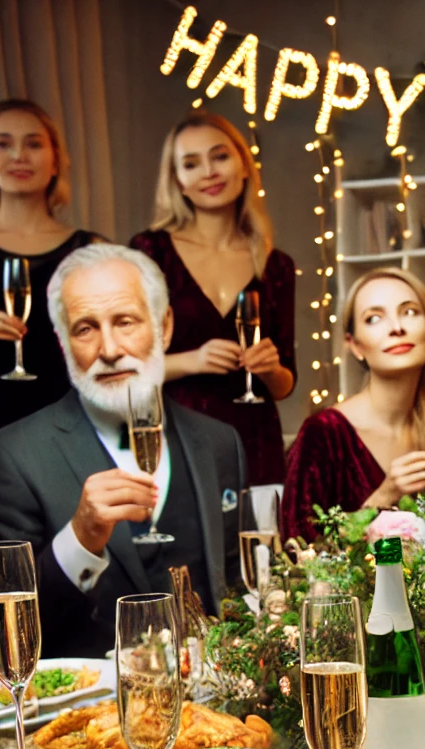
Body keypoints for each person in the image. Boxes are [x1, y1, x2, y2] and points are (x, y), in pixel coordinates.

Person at [0, 244, 244, 658]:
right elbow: (7, 637)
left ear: (165, 326)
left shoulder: (220, 442)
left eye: (125, 322)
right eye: (85, 329)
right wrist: (80, 538)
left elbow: (234, 593)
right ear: (63, 344)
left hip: (211, 714)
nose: (110, 349)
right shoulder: (10, 455)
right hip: (89, 714)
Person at [131, 111, 295, 486]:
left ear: (244, 166)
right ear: (178, 182)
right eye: (191, 164)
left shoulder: (276, 265)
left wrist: (270, 369)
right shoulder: (149, 251)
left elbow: (285, 384)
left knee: (259, 541)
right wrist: (193, 361)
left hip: (254, 441)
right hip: (176, 436)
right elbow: (127, 366)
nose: (209, 171)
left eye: (220, 156)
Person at [0, 99, 103, 453]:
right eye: (3, 144)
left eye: (33, 143)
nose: (18, 156)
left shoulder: (91, 249)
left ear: (56, 159)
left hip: (72, 423)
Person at [280, 268, 425, 541]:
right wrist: (384, 496)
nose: (396, 328)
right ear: (355, 345)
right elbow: (298, 556)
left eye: (410, 312)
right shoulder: (322, 434)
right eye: (374, 318)